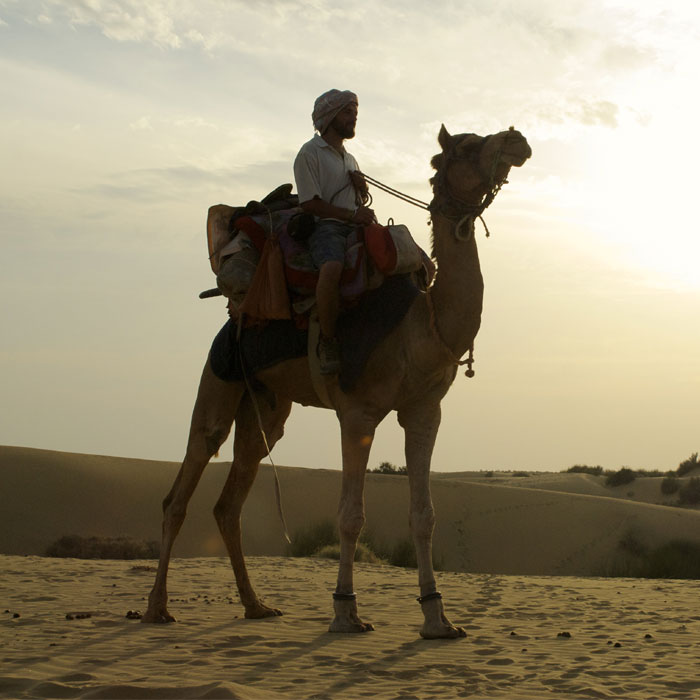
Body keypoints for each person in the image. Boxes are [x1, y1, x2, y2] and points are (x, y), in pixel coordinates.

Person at [293, 89, 375, 374]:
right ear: (330, 117)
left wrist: (361, 188)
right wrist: (352, 214)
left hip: (355, 226)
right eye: (348, 112)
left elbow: (357, 201)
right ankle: (327, 342)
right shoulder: (309, 153)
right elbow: (310, 204)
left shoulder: (349, 159)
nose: (354, 117)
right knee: (332, 268)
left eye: (355, 112)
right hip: (326, 229)